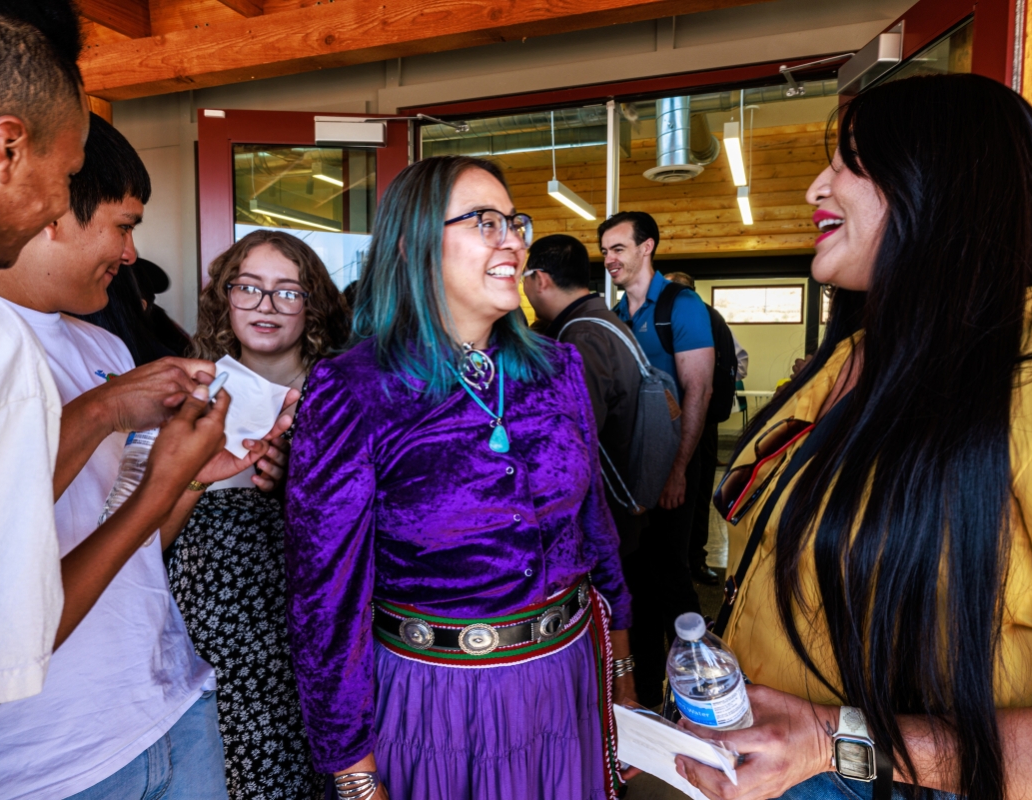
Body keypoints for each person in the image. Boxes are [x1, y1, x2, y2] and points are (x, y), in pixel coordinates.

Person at [675, 74, 1032, 800]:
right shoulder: (845, 363)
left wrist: (833, 741)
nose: (814, 190)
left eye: (850, 162)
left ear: (946, 180)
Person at [0, 0, 224, 771]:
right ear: (8, 146)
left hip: (155, 712)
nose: (51, 207)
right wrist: (138, 463)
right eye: (67, 176)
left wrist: (178, 480)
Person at [0, 113, 278, 799]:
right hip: (35, 762)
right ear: (52, 207)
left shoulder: (102, 349)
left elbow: (126, 543)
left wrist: (183, 483)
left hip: (167, 707)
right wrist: (101, 415)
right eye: (123, 226)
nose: (129, 255)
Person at [284, 156, 635, 800]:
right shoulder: (355, 388)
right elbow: (326, 598)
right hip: (439, 696)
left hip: (567, 677)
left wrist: (623, 671)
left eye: (515, 222)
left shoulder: (559, 368)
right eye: (485, 222)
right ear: (410, 243)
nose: (513, 240)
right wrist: (353, 771)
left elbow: (596, 528)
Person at [164, 229, 349, 800]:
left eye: (287, 292)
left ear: (312, 304)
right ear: (226, 295)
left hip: (311, 653)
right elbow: (141, 535)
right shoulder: (185, 393)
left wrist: (305, 484)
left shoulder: (341, 398)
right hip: (204, 657)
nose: (265, 306)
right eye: (249, 288)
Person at [602, 211, 714, 708]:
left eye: (619, 248)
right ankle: (645, 694)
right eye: (605, 250)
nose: (610, 259)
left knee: (672, 583)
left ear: (647, 247)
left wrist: (676, 472)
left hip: (671, 472)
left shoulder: (681, 307)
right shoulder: (619, 315)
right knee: (637, 584)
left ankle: (703, 692)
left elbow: (699, 390)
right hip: (632, 480)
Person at [523, 234, 646, 554]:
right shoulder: (600, 321)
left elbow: (574, 438)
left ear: (540, 279)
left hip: (608, 498)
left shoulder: (580, 336)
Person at [662, 270, 742, 586]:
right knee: (681, 491)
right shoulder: (707, 317)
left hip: (697, 420)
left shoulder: (708, 319)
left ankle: (691, 559)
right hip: (682, 420)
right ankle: (685, 560)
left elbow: (733, 365)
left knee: (693, 492)